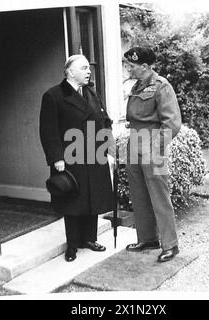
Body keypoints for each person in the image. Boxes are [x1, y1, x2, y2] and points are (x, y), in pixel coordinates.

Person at [39, 54, 114, 262]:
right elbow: (48, 131)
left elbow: (105, 121)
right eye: (83, 68)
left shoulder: (91, 92)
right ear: (70, 72)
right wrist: (56, 158)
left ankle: (89, 239)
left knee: (92, 198)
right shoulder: (53, 95)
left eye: (89, 68)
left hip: (93, 155)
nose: (88, 71)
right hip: (69, 158)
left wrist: (107, 150)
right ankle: (72, 245)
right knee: (72, 201)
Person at [123, 47, 182, 262]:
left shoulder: (161, 86)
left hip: (152, 143)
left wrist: (155, 148)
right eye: (127, 64)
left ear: (146, 67)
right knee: (138, 194)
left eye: (132, 65)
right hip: (134, 142)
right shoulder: (136, 86)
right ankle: (147, 238)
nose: (128, 68)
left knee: (159, 195)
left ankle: (170, 244)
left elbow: (172, 123)